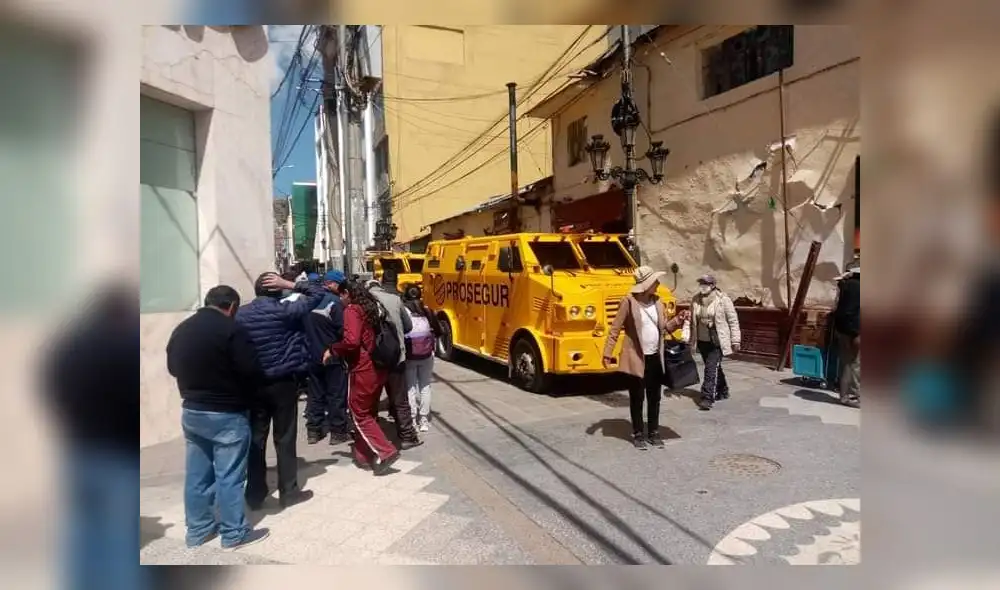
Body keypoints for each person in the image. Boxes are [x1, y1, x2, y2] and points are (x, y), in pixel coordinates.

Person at [165, 285, 270, 549]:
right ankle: (234, 533)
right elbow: (251, 371)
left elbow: (172, 367)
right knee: (230, 476)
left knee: (197, 475)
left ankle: (198, 531)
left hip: (192, 410)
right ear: (232, 306)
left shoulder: (182, 329)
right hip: (227, 414)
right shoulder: (232, 331)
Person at [235, 272, 326, 510]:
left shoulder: (240, 315)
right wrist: (290, 283)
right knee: (285, 437)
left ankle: (255, 493)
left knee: (256, 439)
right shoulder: (285, 311)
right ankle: (289, 491)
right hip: (284, 382)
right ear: (279, 291)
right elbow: (319, 292)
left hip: (253, 384)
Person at [602, 266, 689, 450]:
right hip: (636, 358)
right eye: (655, 281)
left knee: (654, 397)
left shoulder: (658, 302)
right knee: (637, 397)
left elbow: (665, 327)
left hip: (655, 357)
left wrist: (679, 320)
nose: (658, 284)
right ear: (646, 284)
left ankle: (654, 432)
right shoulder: (628, 302)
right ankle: (638, 432)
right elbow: (615, 329)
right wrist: (607, 353)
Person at [326, 280, 401, 475]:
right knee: (369, 412)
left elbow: (351, 342)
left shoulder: (352, 310)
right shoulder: (372, 307)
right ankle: (363, 455)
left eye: (341, 295)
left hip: (362, 368)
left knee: (358, 413)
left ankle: (385, 451)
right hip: (378, 367)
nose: (340, 299)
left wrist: (332, 349)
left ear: (346, 294)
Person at [370, 268, 423, 449]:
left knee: (372, 399)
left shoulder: (365, 300)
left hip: (374, 358)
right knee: (400, 399)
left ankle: (373, 437)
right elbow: (408, 327)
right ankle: (407, 436)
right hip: (396, 355)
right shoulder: (396, 300)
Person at [303, 269, 351, 444]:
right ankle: (338, 432)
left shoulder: (308, 302)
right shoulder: (334, 303)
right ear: (334, 285)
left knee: (315, 394)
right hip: (332, 355)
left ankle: (314, 431)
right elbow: (343, 331)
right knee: (336, 393)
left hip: (311, 354)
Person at [689, 274, 741, 411]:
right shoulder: (695, 300)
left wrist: (735, 340)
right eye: (701, 283)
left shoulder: (723, 300)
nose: (702, 286)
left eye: (705, 283)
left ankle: (707, 397)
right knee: (714, 367)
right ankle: (723, 390)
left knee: (710, 368)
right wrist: (687, 337)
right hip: (702, 340)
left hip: (717, 341)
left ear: (712, 285)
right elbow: (691, 321)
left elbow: (733, 321)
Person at [402, 285, 442, 432]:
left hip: (409, 355)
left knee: (410, 387)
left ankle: (412, 420)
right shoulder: (427, 311)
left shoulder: (403, 311)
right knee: (425, 387)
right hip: (426, 354)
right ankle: (424, 420)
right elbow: (439, 331)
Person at [833, 260, 860, 408]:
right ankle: (855, 396)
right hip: (856, 331)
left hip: (842, 329)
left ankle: (843, 396)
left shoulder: (844, 286)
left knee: (845, 364)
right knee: (856, 364)